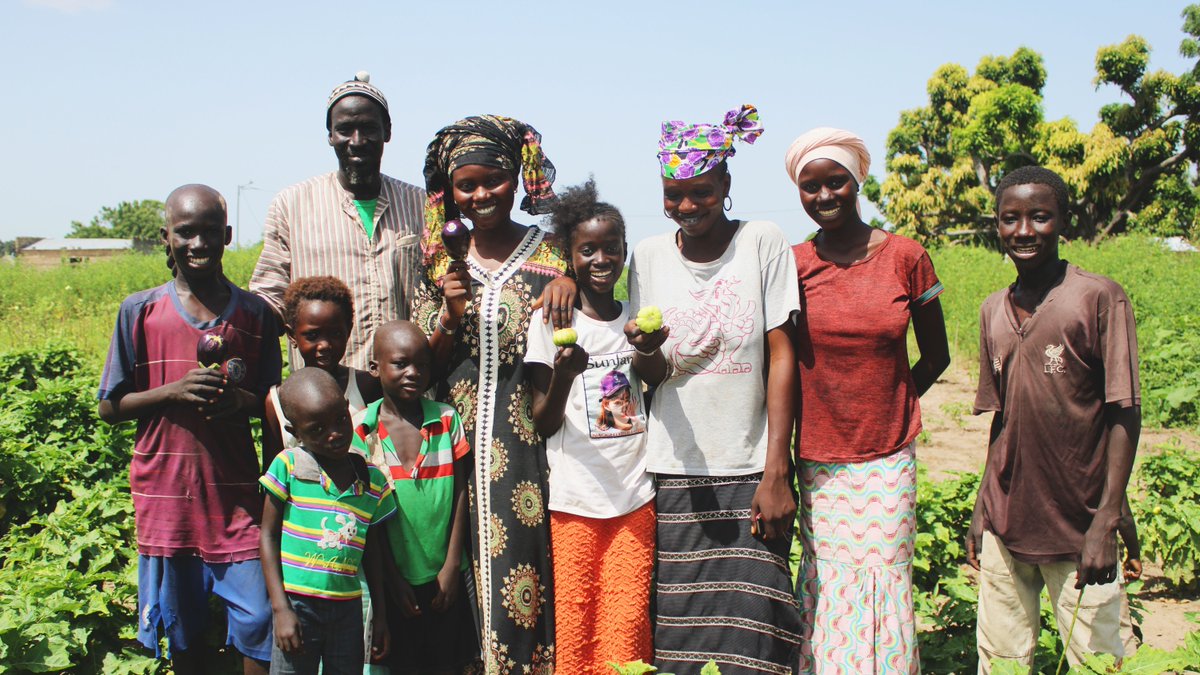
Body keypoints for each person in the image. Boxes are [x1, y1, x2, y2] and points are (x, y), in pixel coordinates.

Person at [629, 104, 802, 675]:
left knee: (759, 624)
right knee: (683, 627)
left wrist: (778, 470)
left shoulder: (762, 241)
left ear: (725, 184)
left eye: (700, 192)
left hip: (752, 466)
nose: (685, 206)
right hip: (676, 470)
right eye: (673, 193)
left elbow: (782, 354)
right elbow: (651, 377)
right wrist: (648, 350)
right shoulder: (649, 257)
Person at [784, 128, 950, 674]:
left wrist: (888, 403)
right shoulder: (793, 265)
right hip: (819, 456)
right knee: (827, 577)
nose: (825, 196)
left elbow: (937, 356)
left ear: (858, 182)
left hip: (888, 456)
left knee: (884, 573)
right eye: (811, 188)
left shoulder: (906, 256)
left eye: (836, 182)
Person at [97, 184, 281, 674]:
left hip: (236, 497)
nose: (197, 244)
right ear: (166, 237)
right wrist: (171, 393)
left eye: (208, 233)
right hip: (166, 496)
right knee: (182, 631)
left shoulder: (255, 314)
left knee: (259, 619)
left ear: (227, 235)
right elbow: (110, 406)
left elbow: (274, 405)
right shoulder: (140, 311)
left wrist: (237, 401)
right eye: (185, 233)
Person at [965, 165, 1141, 673]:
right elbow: (1002, 422)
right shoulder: (992, 311)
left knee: (1099, 661)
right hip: (1007, 521)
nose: (1024, 231)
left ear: (1063, 221)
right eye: (1010, 219)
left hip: (1080, 525)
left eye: (1040, 217)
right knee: (1001, 660)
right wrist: (983, 505)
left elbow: (1124, 412)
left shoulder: (1098, 298)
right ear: (996, 225)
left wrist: (1107, 519)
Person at [412, 114, 572, 673]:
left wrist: (571, 281)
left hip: (530, 454)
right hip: (447, 455)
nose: (482, 195)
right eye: (467, 185)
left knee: (529, 584)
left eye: (494, 179)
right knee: (446, 592)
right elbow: (419, 370)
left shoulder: (554, 254)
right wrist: (449, 316)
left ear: (517, 177)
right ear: (450, 193)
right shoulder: (435, 265)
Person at [525, 181, 656, 674]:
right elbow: (543, 420)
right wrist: (565, 373)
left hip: (635, 498)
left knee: (625, 626)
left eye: (611, 248)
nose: (602, 259)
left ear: (624, 249)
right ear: (568, 255)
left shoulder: (634, 319)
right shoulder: (552, 321)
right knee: (575, 624)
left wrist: (647, 345)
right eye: (588, 250)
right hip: (574, 499)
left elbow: (655, 378)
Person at [250, 72, 425, 371]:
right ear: (330, 135)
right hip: (325, 397)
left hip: (404, 397)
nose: (357, 141)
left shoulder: (421, 205)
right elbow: (270, 297)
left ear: (387, 131)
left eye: (368, 128)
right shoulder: (292, 205)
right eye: (345, 130)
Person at [351, 320, 479, 674]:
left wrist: (453, 565)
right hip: (397, 583)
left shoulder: (447, 419)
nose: (413, 373)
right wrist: (392, 580)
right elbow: (367, 518)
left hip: (445, 576)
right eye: (400, 363)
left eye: (422, 365)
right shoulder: (361, 430)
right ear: (375, 368)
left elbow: (459, 494)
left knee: (449, 662)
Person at [260, 368, 396, 675]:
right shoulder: (289, 466)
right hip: (297, 605)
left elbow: (373, 553)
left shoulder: (370, 480)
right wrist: (281, 609)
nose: (334, 432)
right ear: (295, 431)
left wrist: (381, 615)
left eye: (340, 420)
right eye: (318, 428)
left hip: (347, 609)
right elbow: (267, 537)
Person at [263, 276, 382, 463]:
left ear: (348, 331)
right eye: (312, 335)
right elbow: (272, 473)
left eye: (335, 334)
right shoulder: (277, 401)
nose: (325, 345)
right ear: (292, 336)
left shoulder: (366, 385)